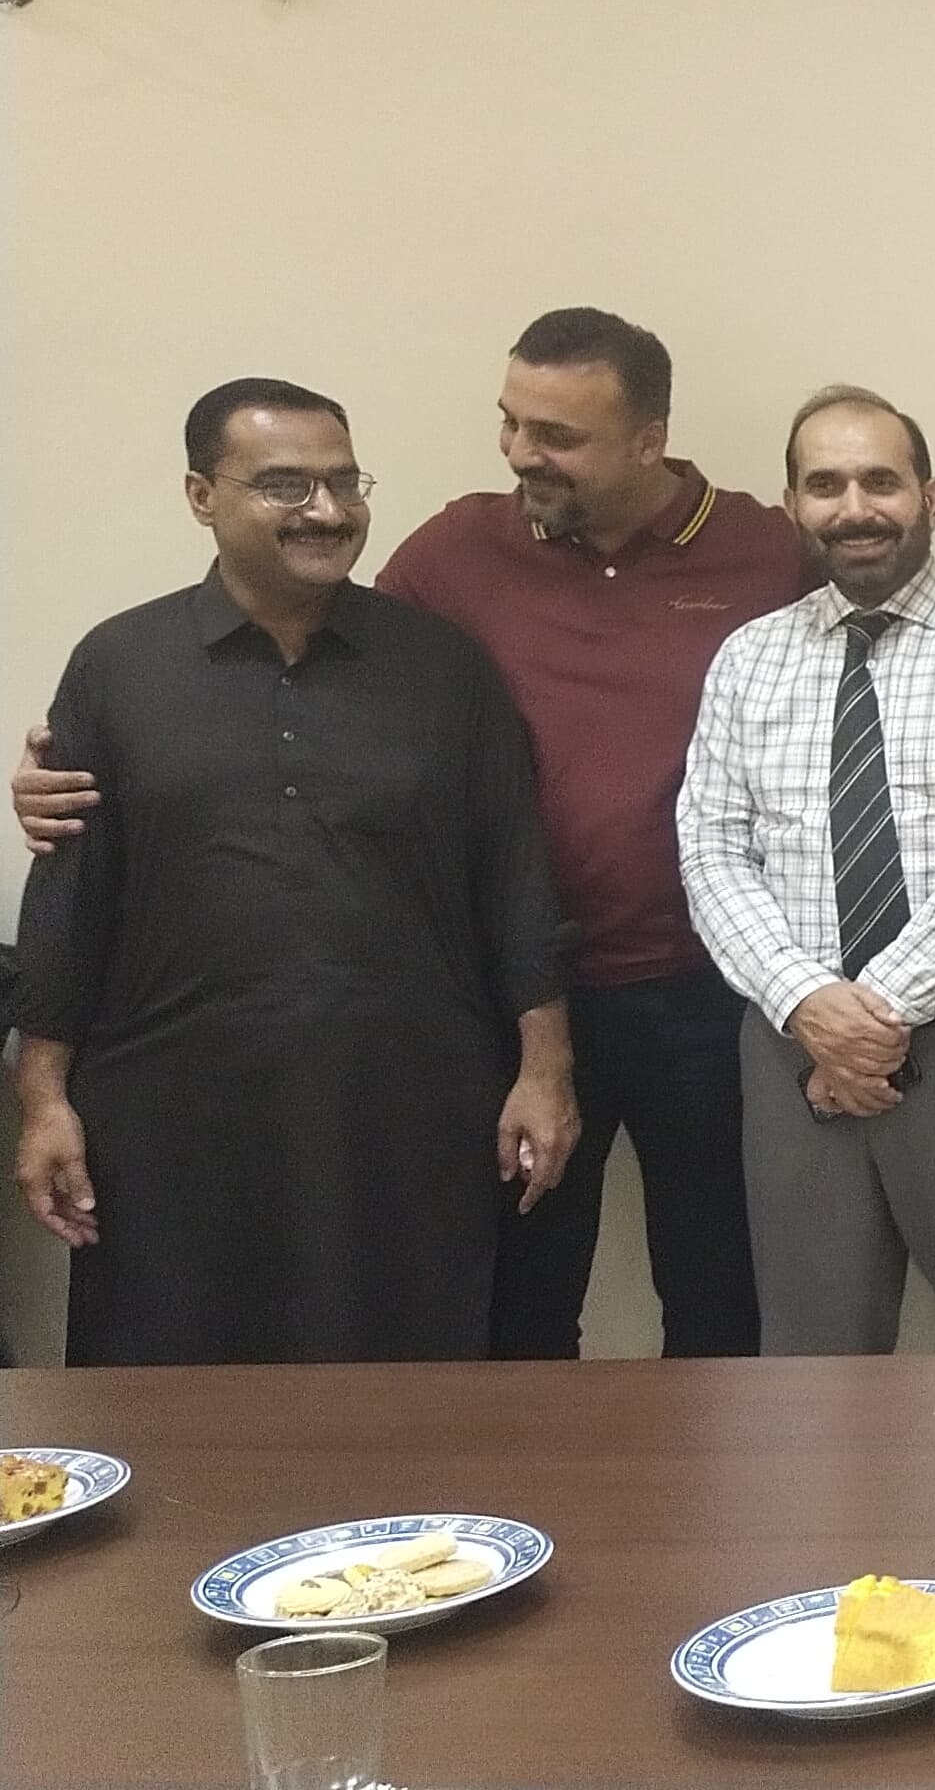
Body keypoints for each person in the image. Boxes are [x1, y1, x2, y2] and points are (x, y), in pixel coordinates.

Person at [17, 308, 813, 1361]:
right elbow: (87, 884)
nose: (521, 451)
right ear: (202, 495)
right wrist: (44, 1083)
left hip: (683, 992)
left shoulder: (762, 555)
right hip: (365, 1034)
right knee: (508, 1313)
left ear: (646, 440)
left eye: (557, 434)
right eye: (511, 421)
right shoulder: (442, 560)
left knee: (714, 1300)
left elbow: (506, 855)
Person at [12, 380, 577, 1363]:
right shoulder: (118, 664)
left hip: (406, 1105)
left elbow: (514, 880)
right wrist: (44, 1096)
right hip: (170, 1111)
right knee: (173, 1389)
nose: (327, 509)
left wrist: (545, 1068)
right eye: (285, 484)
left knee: (406, 1382)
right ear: (202, 496)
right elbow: (72, 897)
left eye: (344, 482)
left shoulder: (443, 668)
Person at [677, 388, 935, 1355]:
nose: (854, 507)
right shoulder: (747, 660)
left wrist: (870, 1021)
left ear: (930, 497)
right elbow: (711, 849)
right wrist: (809, 1006)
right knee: (811, 1360)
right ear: (792, 506)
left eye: (880, 481)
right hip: (792, 1046)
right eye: (826, 485)